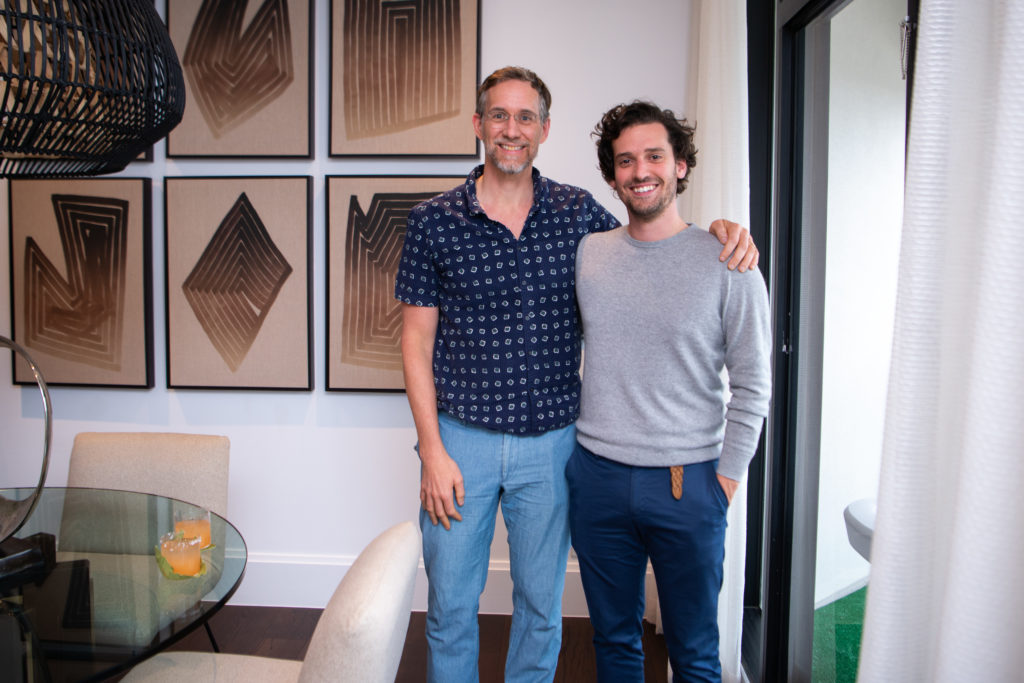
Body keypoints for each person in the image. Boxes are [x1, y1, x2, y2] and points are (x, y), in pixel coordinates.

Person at [394, 68, 759, 683]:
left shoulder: (578, 218)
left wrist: (723, 230)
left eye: (526, 117)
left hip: (555, 446)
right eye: (500, 116)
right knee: (451, 606)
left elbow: (650, 236)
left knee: (541, 610)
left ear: (543, 129)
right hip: (460, 445)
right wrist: (431, 449)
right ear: (479, 124)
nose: (513, 130)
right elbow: (414, 342)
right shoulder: (434, 221)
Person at [568, 100, 772, 682]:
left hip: (690, 483)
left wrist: (725, 482)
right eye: (625, 161)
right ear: (611, 176)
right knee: (612, 641)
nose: (640, 171)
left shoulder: (729, 261)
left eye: (655, 155)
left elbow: (755, 383)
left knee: (695, 653)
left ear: (681, 164)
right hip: (598, 479)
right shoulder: (589, 253)